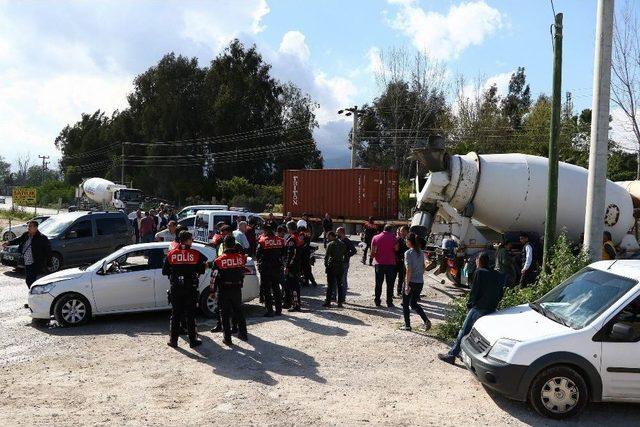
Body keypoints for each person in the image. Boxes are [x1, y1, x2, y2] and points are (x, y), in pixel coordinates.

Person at [438, 252, 505, 364]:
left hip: (479, 308)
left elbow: (474, 292)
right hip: (492, 308)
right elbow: (500, 294)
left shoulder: (480, 272)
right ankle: (464, 354)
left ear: (480, 261)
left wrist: (470, 305)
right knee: (480, 335)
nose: (475, 262)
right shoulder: (497, 274)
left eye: (476, 260)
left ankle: (452, 355)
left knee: (464, 331)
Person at [162, 231, 206, 348]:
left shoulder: (171, 254)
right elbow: (201, 269)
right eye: (191, 239)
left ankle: (173, 341)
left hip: (176, 288)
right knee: (190, 315)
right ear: (187, 240)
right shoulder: (195, 253)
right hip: (190, 288)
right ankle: (193, 341)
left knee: (176, 314)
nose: (192, 241)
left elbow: (164, 271)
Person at [210, 235, 248, 345]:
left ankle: (227, 338)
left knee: (225, 314)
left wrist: (212, 291)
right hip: (237, 289)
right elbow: (243, 271)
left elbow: (213, 277)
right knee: (239, 312)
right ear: (234, 244)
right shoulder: (241, 258)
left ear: (224, 245)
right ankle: (243, 334)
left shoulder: (218, 261)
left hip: (224, 290)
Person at [3, 220, 51, 289]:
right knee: (28, 280)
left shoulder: (42, 238)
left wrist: (49, 263)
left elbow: (48, 251)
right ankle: (32, 291)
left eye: (30, 226)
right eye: (28, 226)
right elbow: (18, 240)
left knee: (32, 280)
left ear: (36, 227)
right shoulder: (26, 234)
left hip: (35, 262)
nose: (28, 228)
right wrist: (8, 243)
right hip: (26, 261)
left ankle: (34, 293)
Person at [399, 232, 431, 331]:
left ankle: (407, 325)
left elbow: (409, 269)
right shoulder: (421, 252)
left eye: (406, 240)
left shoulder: (408, 253)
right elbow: (424, 267)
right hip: (420, 282)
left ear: (409, 241)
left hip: (411, 281)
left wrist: (406, 285)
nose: (405, 242)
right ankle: (426, 321)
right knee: (413, 304)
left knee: (405, 304)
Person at [256, 225, 284, 316]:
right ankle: (279, 310)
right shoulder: (280, 240)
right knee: (276, 288)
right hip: (276, 267)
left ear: (266, 231)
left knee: (267, 289)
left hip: (266, 268)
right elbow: (283, 253)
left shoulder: (263, 241)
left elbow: (258, 254)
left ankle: (270, 311)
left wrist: (259, 264)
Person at [371, 224, 399, 308]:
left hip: (379, 263)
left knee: (378, 283)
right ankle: (389, 302)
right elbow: (396, 249)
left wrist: (374, 257)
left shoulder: (375, 237)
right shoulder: (394, 238)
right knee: (390, 284)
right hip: (390, 263)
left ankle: (377, 301)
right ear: (391, 230)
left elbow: (373, 251)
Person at [284, 220, 303, 312]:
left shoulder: (292, 239)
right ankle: (296, 303)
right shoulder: (298, 236)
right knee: (295, 285)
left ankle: (296, 305)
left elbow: (290, 254)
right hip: (298, 264)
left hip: (292, 266)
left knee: (293, 286)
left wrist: (287, 266)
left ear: (289, 228)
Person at [323, 231, 346, 308]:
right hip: (340, 266)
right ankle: (340, 302)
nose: (327, 238)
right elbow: (345, 254)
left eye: (328, 237)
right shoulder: (342, 244)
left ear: (331, 236)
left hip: (332, 266)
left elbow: (326, 257)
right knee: (340, 285)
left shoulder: (330, 244)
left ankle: (328, 302)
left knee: (330, 285)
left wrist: (326, 265)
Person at [336, 227, 357, 293]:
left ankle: (343, 296)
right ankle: (335, 296)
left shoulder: (347, 241)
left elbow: (354, 251)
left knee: (343, 279)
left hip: (344, 263)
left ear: (341, 232)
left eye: (337, 232)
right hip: (337, 262)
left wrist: (347, 256)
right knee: (336, 279)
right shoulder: (337, 240)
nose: (336, 233)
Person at [395, 225, 409, 297]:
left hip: (405, 261)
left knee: (402, 277)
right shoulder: (397, 239)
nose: (402, 232)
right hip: (397, 261)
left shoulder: (408, 240)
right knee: (395, 277)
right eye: (401, 231)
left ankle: (400, 291)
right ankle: (397, 291)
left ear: (407, 232)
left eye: (403, 231)